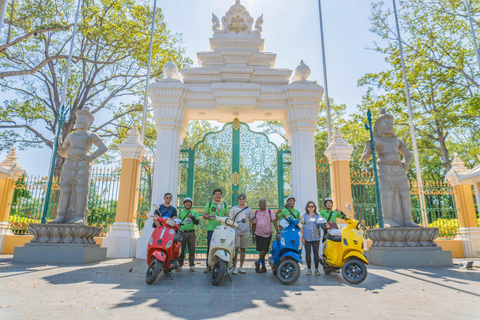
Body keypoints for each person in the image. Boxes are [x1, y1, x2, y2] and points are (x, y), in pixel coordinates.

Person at [203, 188, 228, 273]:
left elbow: (227, 216)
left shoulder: (224, 205)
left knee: (223, 246)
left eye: (219, 194)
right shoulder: (209, 204)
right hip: (212, 229)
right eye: (216, 194)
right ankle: (208, 266)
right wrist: (210, 216)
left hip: (223, 229)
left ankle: (221, 266)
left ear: (221, 195)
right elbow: (204, 215)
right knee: (210, 247)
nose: (218, 195)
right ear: (213, 195)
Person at [252, 198, 279, 273]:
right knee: (260, 251)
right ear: (259, 204)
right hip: (258, 234)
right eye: (261, 202)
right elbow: (254, 224)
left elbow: (274, 221)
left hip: (267, 234)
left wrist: (277, 231)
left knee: (265, 250)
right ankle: (263, 267)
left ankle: (257, 262)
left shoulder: (270, 211)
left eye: (264, 202)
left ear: (266, 204)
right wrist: (253, 235)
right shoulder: (256, 212)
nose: (262, 203)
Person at [229, 193, 253, 275]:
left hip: (245, 231)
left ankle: (241, 266)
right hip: (236, 231)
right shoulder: (234, 209)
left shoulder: (248, 209)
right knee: (236, 248)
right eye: (240, 199)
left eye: (243, 199)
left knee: (243, 249)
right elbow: (230, 219)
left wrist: (249, 229)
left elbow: (251, 220)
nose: (241, 200)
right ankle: (234, 266)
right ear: (238, 200)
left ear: (245, 200)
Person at [177, 197, 199, 272]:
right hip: (183, 233)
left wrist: (192, 217)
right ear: (184, 204)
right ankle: (179, 265)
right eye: (186, 203)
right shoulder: (181, 213)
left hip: (191, 233)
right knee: (181, 249)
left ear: (191, 204)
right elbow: (178, 223)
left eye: (189, 203)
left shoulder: (194, 212)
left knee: (191, 249)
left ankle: (192, 265)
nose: (187, 204)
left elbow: (197, 222)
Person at [301, 201, 322, 276]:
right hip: (307, 238)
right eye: (309, 206)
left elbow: (322, 224)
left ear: (315, 207)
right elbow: (302, 228)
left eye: (312, 206)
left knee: (316, 253)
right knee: (308, 253)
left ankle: (316, 269)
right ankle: (309, 269)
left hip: (316, 237)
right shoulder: (304, 216)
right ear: (307, 208)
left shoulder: (318, 216)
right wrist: (302, 238)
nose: (310, 208)